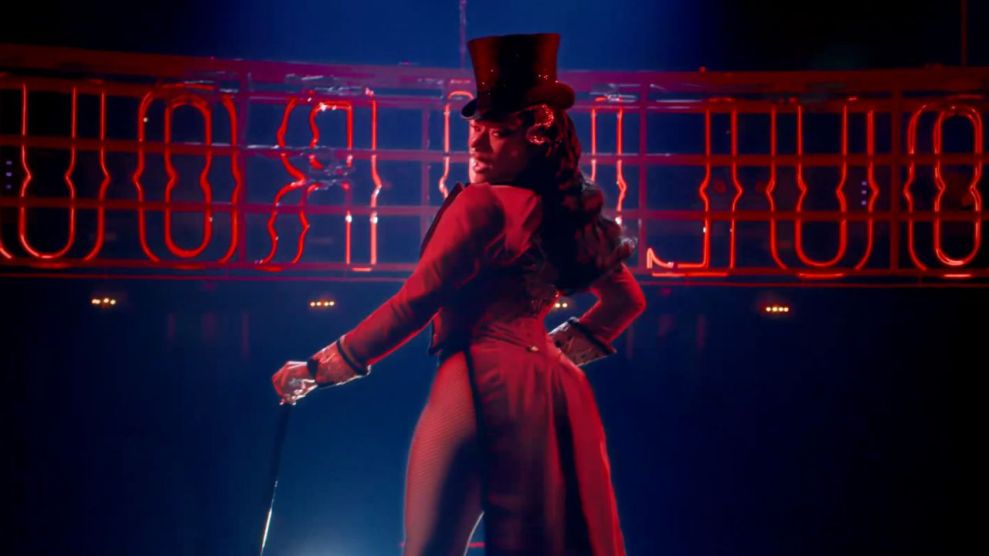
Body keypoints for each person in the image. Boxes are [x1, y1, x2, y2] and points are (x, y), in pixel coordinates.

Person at [272, 32, 646, 556]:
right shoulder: (568, 213)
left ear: (535, 139)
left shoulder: (481, 205)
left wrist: (321, 367)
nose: (476, 145)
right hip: (552, 390)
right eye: (476, 130)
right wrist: (553, 353)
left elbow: (414, 302)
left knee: (430, 548)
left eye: (498, 133)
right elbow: (627, 301)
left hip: (475, 380)